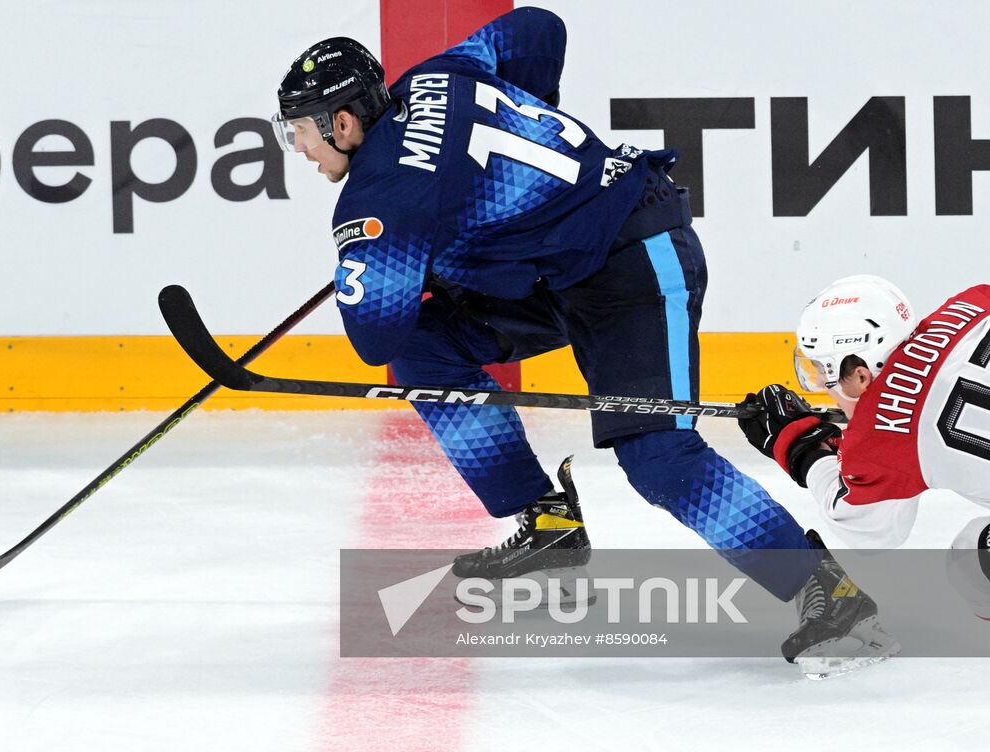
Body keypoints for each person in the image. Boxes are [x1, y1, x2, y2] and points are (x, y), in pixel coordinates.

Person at [274, 7, 886, 674]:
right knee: (424, 345)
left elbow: (372, 331)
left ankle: (826, 591)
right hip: (565, 265)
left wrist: (384, 255)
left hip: (634, 254)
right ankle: (548, 519)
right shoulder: (439, 75)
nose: (299, 149)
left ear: (341, 121)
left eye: (300, 131)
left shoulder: (384, 192)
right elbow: (538, 28)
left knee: (660, 458)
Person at [739, 275, 990, 617]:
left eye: (819, 372)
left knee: (971, 560)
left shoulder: (885, 438)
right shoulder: (973, 303)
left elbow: (871, 533)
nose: (820, 386)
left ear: (860, 375)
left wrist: (803, 447)